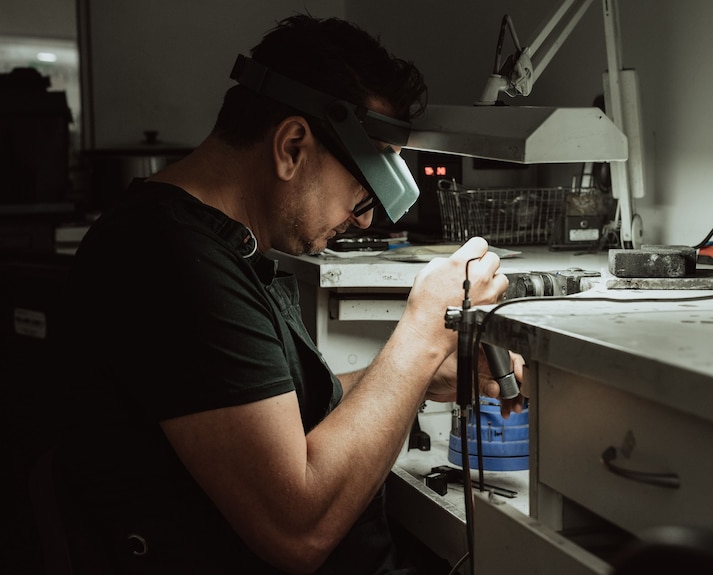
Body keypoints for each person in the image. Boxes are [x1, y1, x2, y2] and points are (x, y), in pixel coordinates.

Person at [54, 14, 525, 575]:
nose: (366, 219)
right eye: (362, 192)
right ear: (292, 146)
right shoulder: (168, 259)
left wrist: (419, 383)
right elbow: (297, 530)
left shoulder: (214, 246)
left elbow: (274, 411)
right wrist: (422, 333)